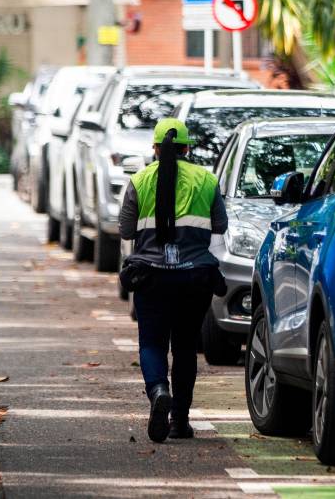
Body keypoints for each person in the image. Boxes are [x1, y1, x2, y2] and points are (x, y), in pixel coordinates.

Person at [118, 117, 228, 443]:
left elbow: (125, 231)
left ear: (154, 147)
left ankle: (157, 391)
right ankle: (180, 421)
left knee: (152, 343)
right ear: (187, 147)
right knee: (184, 348)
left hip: (151, 278)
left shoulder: (139, 181)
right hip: (194, 279)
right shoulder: (206, 179)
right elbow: (219, 225)